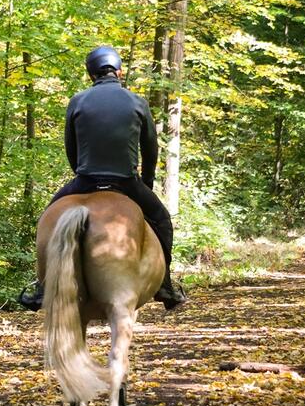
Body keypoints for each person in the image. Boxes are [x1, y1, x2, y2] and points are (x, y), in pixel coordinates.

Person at [19, 46, 188, 311]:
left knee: (48, 217)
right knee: (162, 220)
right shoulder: (137, 102)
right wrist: (146, 183)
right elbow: (151, 149)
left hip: (85, 179)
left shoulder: (78, 101)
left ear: (91, 74)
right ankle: (165, 285)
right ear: (119, 71)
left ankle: (42, 288)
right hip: (126, 181)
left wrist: (81, 173)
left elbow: (71, 148)